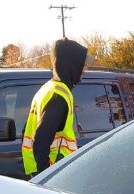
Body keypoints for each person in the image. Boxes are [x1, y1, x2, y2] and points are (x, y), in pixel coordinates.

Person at [22, 39, 90, 178]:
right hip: (53, 173)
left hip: (41, 170)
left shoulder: (48, 88)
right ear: (72, 65)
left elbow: (27, 130)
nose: (85, 70)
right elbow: (41, 140)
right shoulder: (59, 96)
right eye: (82, 65)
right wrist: (45, 176)